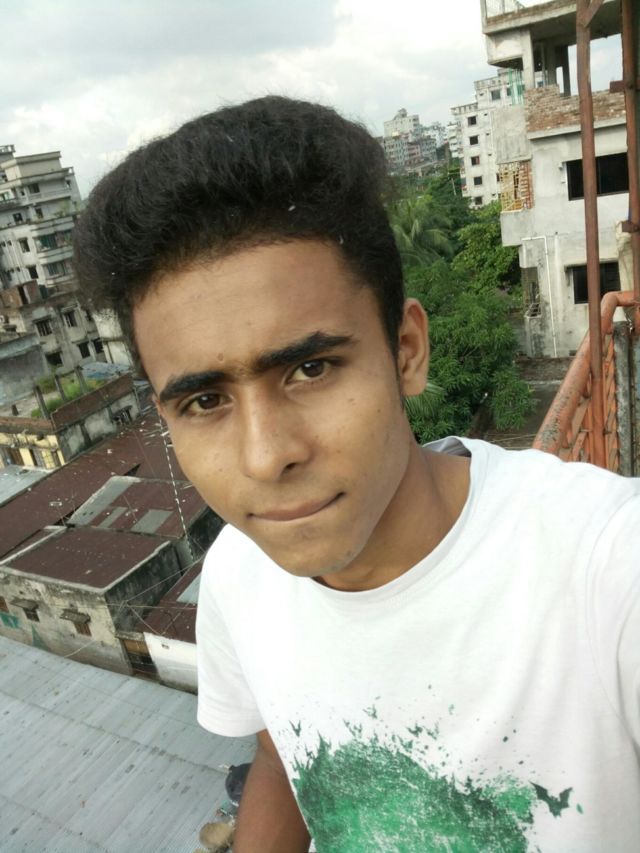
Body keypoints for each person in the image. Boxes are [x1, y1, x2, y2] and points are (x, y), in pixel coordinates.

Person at [74, 96, 640, 853]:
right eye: (205, 400)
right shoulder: (240, 575)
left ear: (407, 351)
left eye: (310, 368)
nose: (265, 456)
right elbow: (285, 749)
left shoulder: (606, 570)